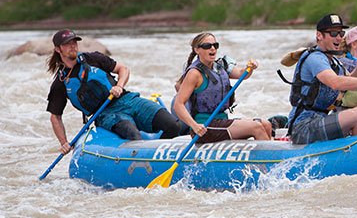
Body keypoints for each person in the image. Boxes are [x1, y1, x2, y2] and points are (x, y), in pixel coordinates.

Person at [46, 29, 182, 154]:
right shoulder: (60, 83)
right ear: (58, 49)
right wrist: (63, 143)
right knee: (134, 136)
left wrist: (119, 85)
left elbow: (123, 69)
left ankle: (163, 157)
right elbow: (55, 117)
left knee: (173, 125)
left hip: (127, 100)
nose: (73, 46)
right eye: (67, 44)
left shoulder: (93, 58)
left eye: (74, 42)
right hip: (105, 114)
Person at [287, 13, 357, 144]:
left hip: (322, 120)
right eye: (333, 33)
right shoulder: (315, 58)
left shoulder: (335, 62)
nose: (339, 37)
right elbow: (335, 83)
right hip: (302, 127)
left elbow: (354, 86)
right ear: (319, 35)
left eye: (341, 33)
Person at [173, 32, 271, 143]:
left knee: (266, 124)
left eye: (215, 45)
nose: (213, 49)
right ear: (197, 50)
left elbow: (241, 75)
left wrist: (250, 68)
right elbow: (178, 105)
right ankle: (274, 159)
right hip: (205, 127)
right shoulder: (194, 73)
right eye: (207, 46)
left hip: (222, 121)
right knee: (256, 127)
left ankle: (267, 156)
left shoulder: (220, 66)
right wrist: (194, 125)